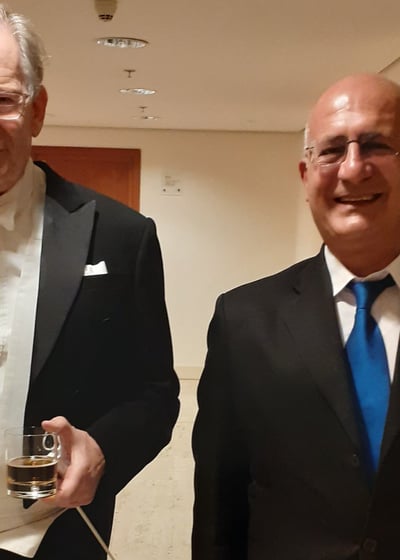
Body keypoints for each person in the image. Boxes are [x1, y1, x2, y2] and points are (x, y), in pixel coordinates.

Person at [192, 72, 400, 560]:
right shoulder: (243, 320)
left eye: (376, 145)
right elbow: (220, 505)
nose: (353, 168)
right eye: (332, 151)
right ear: (306, 177)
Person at [0, 5, 179, 560]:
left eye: (3, 99)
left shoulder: (122, 236)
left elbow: (155, 394)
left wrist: (102, 447)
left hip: (52, 533)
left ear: (36, 110)